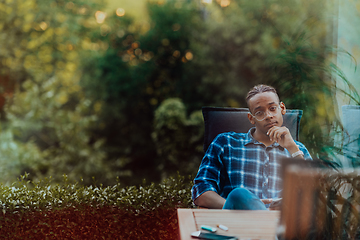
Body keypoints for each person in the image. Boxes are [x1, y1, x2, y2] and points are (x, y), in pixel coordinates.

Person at [191, 84, 312, 210]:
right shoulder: (225, 143)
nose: (268, 116)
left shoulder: (298, 150)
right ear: (251, 118)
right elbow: (201, 192)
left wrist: (293, 149)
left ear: (282, 108)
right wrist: (237, 207)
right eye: (259, 112)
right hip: (239, 224)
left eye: (272, 108)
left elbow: (315, 196)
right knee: (239, 194)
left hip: (282, 225)